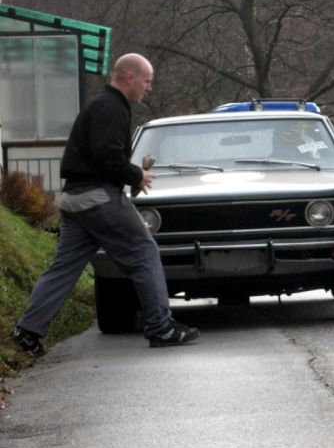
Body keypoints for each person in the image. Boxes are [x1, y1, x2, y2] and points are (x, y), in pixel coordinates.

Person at [12, 53, 199, 355]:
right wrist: (136, 174)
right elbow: (107, 155)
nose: (148, 88)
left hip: (74, 200)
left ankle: (27, 330)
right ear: (129, 77)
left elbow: (98, 154)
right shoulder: (113, 108)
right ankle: (161, 328)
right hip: (98, 198)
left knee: (63, 268)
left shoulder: (100, 105)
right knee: (144, 251)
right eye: (147, 81)